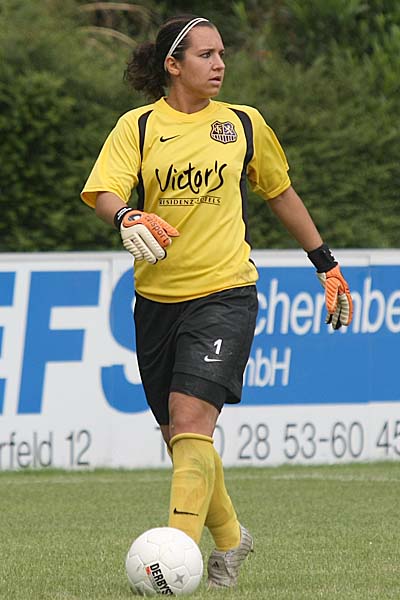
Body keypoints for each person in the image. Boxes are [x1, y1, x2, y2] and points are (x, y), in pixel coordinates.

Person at [81, 14, 353, 589]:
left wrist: (325, 262)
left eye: (222, 53)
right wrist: (126, 215)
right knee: (181, 441)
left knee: (190, 422)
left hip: (226, 292)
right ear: (172, 65)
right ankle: (231, 539)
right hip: (156, 301)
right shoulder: (138, 126)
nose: (220, 64)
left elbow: (280, 192)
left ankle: (170, 563)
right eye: (206, 55)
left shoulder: (244, 124)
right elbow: (104, 191)